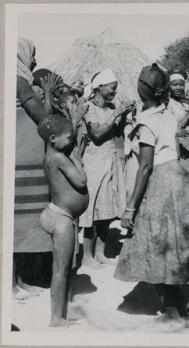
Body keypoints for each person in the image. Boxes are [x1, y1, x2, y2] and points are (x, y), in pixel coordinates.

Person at [115, 64, 189, 319]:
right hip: (179, 179)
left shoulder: (148, 121)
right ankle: (176, 298)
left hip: (161, 182)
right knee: (174, 242)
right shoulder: (166, 114)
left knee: (160, 242)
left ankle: (171, 305)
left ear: (142, 90)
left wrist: (130, 207)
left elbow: (146, 166)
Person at [14, 38, 64, 301]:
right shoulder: (19, 82)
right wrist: (46, 93)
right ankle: (11, 285)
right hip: (20, 160)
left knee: (20, 225)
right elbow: (43, 118)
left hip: (21, 159)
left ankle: (20, 281)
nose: (34, 60)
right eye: (32, 55)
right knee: (14, 225)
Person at [37, 115, 89, 327]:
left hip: (57, 214)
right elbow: (81, 180)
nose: (72, 142)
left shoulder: (52, 154)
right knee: (60, 270)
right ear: (52, 139)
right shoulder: (59, 158)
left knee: (64, 268)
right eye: (69, 138)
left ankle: (61, 314)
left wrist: (73, 122)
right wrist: (76, 155)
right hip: (61, 218)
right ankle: (56, 319)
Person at [79, 69, 133, 269]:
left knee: (107, 209)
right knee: (92, 211)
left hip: (110, 161)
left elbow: (116, 133)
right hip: (94, 164)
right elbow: (97, 134)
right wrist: (117, 113)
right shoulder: (88, 108)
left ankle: (100, 253)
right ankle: (87, 256)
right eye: (112, 88)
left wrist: (123, 116)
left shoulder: (111, 108)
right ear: (100, 87)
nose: (114, 91)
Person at [166, 69, 189, 175]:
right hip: (180, 147)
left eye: (181, 84)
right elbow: (175, 128)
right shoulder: (167, 104)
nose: (179, 87)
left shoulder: (183, 103)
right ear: (168, 86)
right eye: (174, 85)